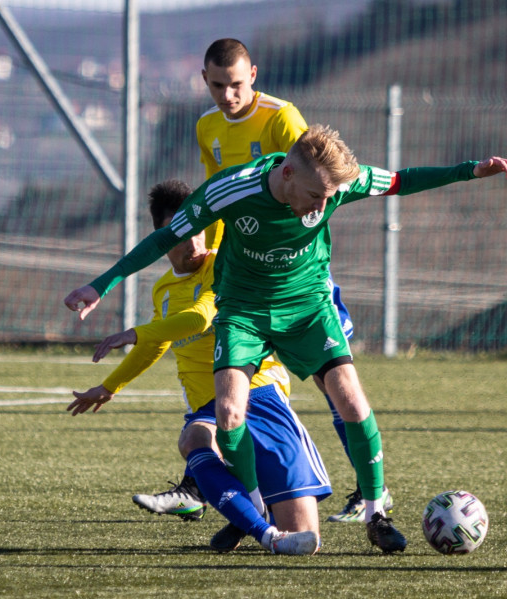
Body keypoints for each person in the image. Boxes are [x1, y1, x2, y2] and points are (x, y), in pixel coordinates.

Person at [64, 124, 507, 553]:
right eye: (316, 195)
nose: (323, 205)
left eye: (330, 196)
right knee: (228, 414)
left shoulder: (337, 185)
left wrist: (470, 170)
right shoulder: (231, 189)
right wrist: (100, 286)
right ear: (287, 174)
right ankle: (254, 512)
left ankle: (376, 515)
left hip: (306, 305)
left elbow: (400, 180)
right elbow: (165, 237)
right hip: (243, 310)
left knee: (352, 401)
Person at [146, 37, 392, 526]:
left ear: (253, 75)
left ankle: (371, 494)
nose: (227, 95)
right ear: (204, 80)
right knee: (229, 394)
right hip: (246, 277)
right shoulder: (207, 126)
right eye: (218, 86)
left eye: (236, 84)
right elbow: (220, 201)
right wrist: (218, 257)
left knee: (337, 388)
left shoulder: (282, 118)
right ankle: (216, 491)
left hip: (301, 282)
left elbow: (317, 189)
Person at [67, 179, 329, 555]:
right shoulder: (163, 290)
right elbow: (157, 343)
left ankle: (250, 512)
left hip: (257, 390)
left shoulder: (223, 264)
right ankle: (263, 530)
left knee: (306, 536)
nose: (193, 242)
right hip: (210, 404)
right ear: (161, 239)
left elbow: (200, 318)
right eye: (180, 234)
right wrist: (109, 387)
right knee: (194, 439)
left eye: (198, 230)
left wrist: (134, 333)